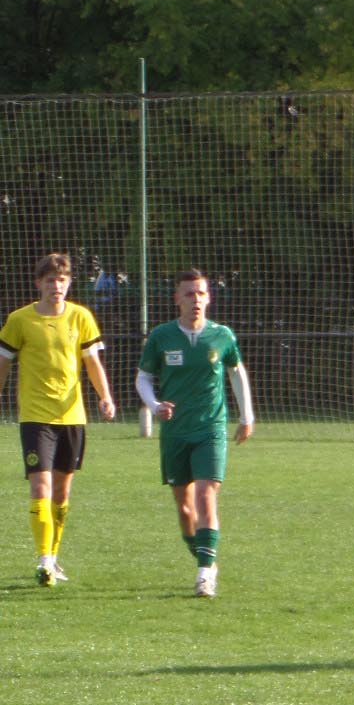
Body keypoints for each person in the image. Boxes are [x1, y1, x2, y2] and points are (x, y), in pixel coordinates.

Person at [0, 253, 117, 585]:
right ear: (39, 283)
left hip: (72, 416)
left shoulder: (81, 317)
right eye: (51, 280)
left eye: (62, 280)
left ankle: (53, 556)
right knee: (41, 484)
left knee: (62, 494)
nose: (57, 286)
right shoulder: (20, 320)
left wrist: (105, 396)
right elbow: (3, 363)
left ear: (69, 283)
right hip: (35, 417)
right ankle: (44, 561)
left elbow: (92, 362)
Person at [135, 270, 253, 599]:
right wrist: (155, 405)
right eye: (189, 294)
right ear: (177, 299)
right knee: (185, 509)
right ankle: (205, 558)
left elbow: (236, 372)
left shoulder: (221, 335)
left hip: (210, 428)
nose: (196, 299)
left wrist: (247, 416)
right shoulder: (161, 337)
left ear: (209, 297)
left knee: (205, 495)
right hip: (175, 432)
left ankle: (203, 574)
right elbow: (143, 378)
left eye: (201, 293)